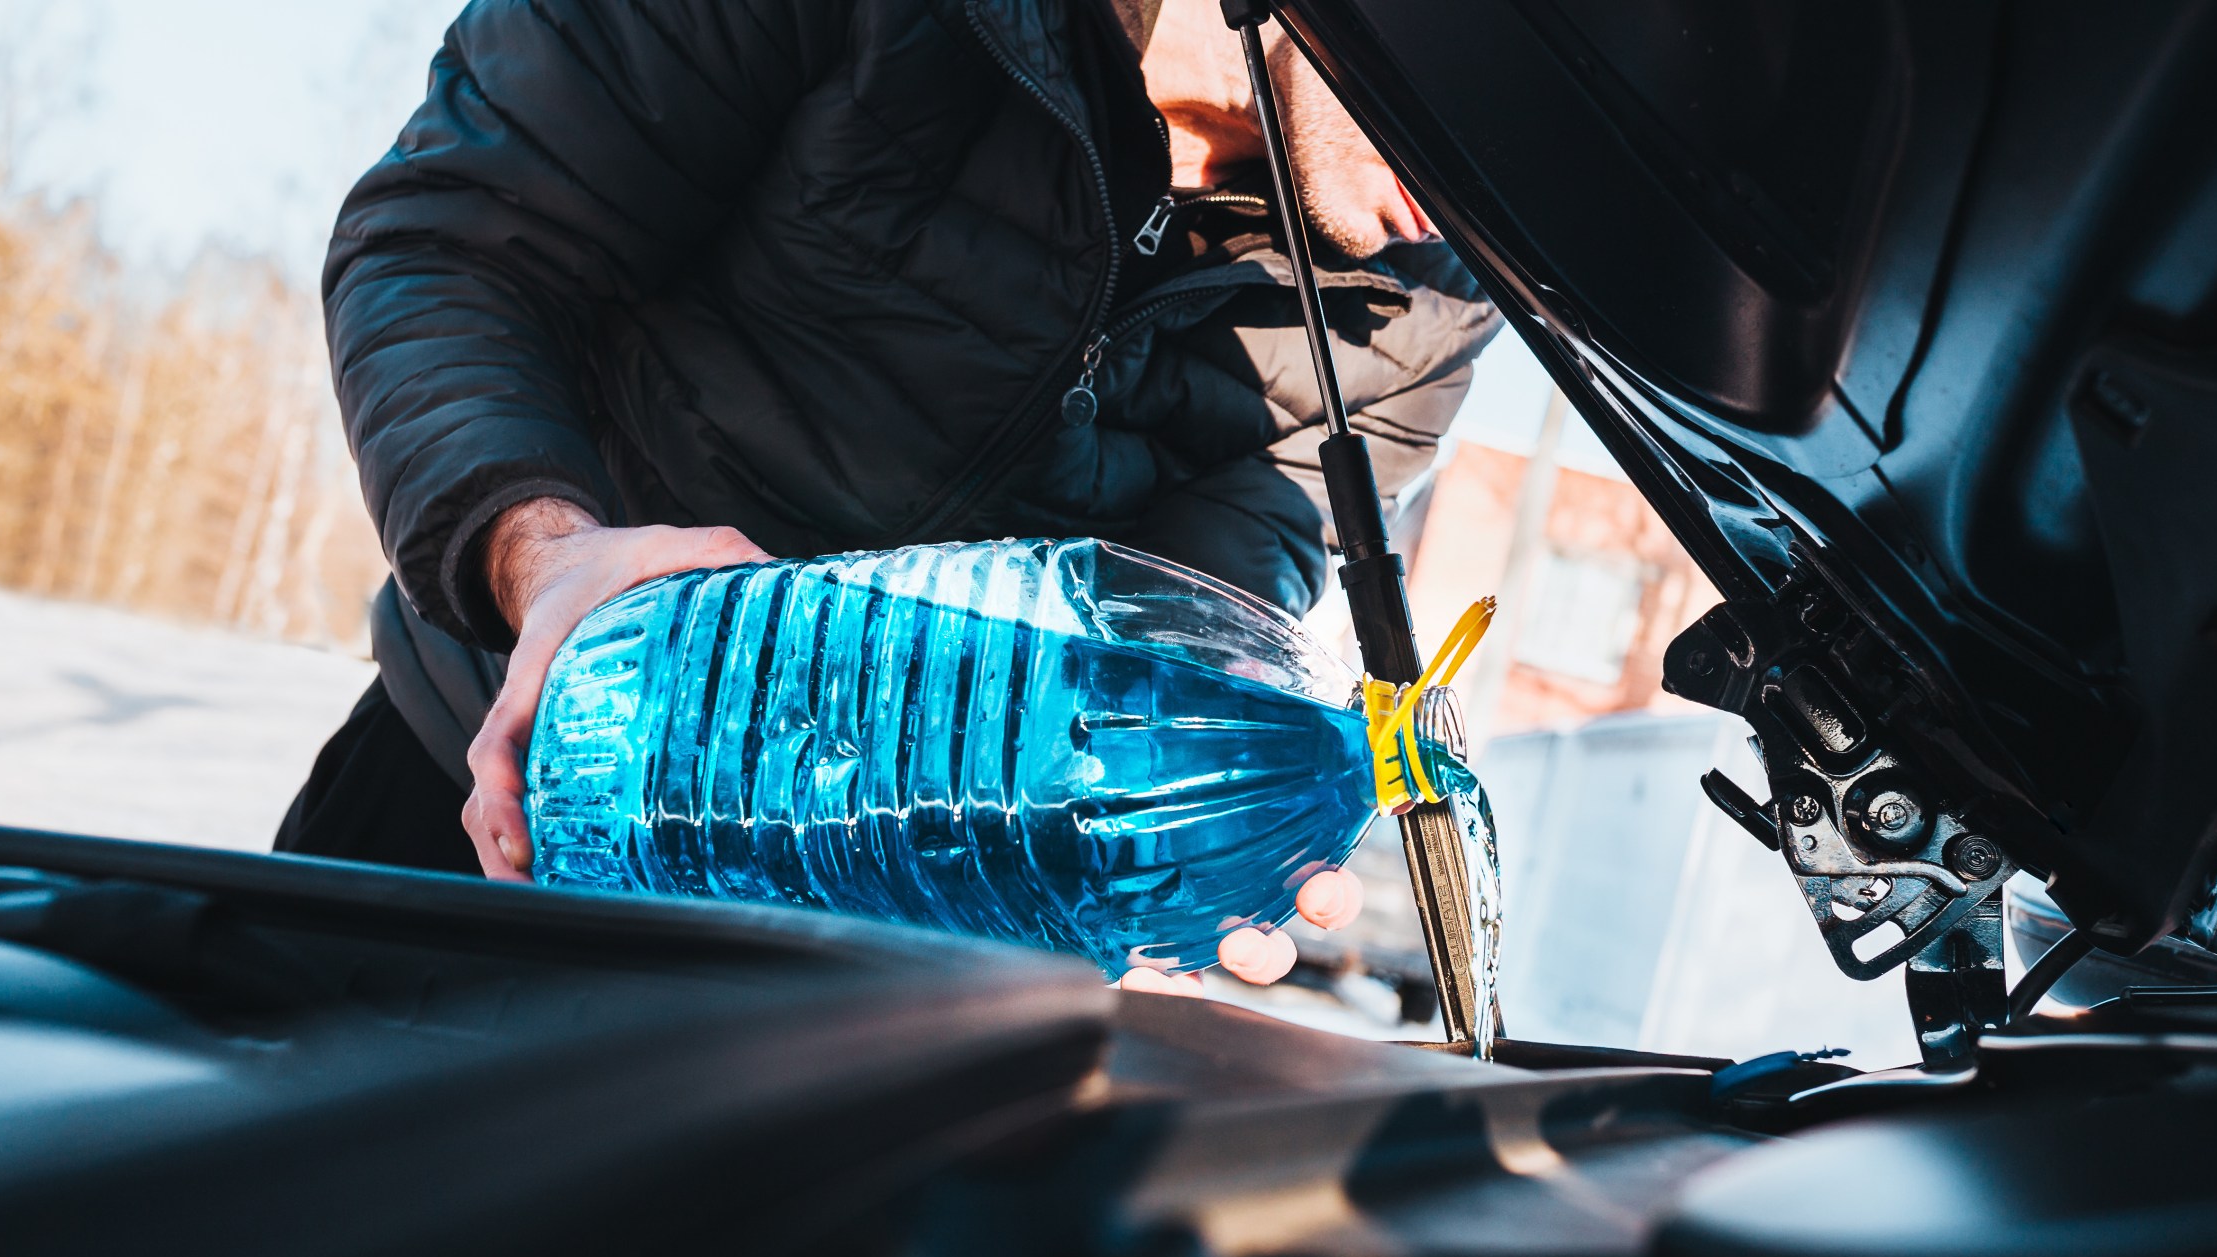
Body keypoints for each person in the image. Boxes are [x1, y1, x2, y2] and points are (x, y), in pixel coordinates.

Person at [276, 0, 1499, 994]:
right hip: (510, 806)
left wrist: (1165, 846)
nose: (1515, 199)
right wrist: (545, 557)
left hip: (885, 964)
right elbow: (455, 243)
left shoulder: (1434, 300)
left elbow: (1197, 616)